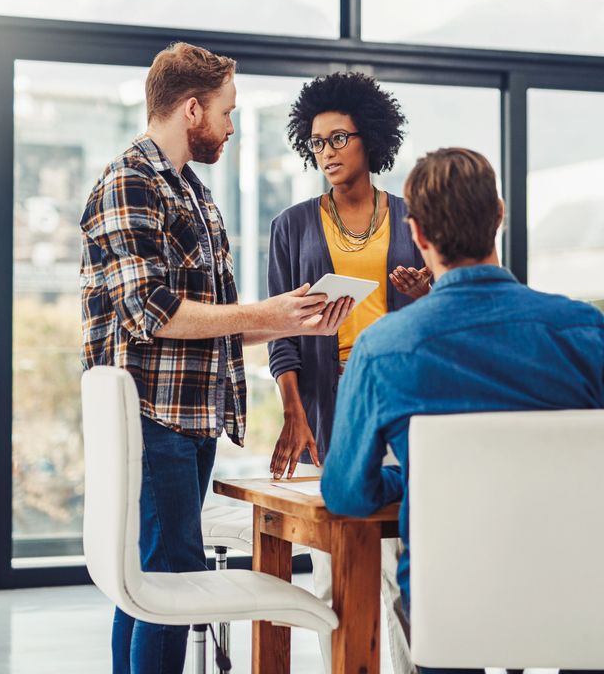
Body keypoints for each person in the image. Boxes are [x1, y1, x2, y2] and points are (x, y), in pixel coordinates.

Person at [80, 42, 352, 674]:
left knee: (149, 579)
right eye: (227, 113)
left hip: (189, 420)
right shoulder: (129, 181)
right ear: (193, 109)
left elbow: (209, 327)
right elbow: (157, 312)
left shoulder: (193, 194)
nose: (232, 127)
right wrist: (269, 314)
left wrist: (298, 321)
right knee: (170, 580)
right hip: (154, 417)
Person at [321, 147, 604, 674]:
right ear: (498, 214)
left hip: (450, 609)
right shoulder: (584, 331)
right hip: (584, 598)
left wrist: (417, 479)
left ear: (419, 235)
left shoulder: (385, 348)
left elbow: (345, 493)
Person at [267, 71, 430, 673]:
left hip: (397, 401)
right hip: (327, 406)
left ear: (371, 140)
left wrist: (417, 296)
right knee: (333, 570)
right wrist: (294, 410)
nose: (327, 152)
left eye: (339, 138)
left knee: (400, 566)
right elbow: (282, 332)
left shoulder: (412, 218)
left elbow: (429, 320)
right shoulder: (291, 226)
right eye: (317, 142)